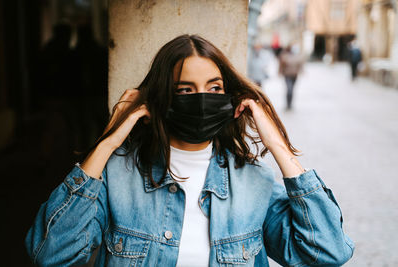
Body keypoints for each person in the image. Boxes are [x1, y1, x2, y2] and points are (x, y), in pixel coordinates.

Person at [25, 34, 354, 266]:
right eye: (185, 89)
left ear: (230, 99)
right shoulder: (116, 177)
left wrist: (279, 146)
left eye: (214, 88)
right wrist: (109, 140)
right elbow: (51, 253)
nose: (201, 99)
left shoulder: (254, 183)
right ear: (160, 101)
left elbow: (329, 251)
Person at [278, 45, 304, 110]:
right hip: (287, 75)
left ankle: (290, 104)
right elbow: (281, 65)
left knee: (292, 90)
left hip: (295, 75)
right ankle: (287, 104)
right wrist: (280, 72)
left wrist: (302, 71)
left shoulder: (298, 56)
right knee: (289, 89)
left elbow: (300, 64)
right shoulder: (285, 55)